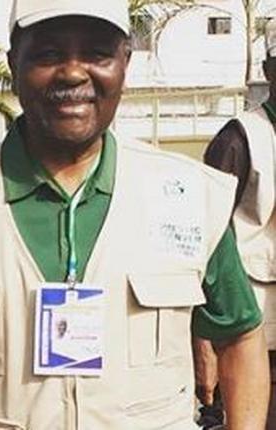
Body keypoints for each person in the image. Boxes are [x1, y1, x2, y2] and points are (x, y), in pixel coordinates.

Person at [0, 1, 270, 429]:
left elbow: (240, 337)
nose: (72, 73)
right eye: (48, 54)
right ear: (14, 63)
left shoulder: (191, 199)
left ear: (125, 62)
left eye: (97, 53)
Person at [195, 17, 276, 427]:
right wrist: (205, 335)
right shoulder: (241, 136)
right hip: (254, 320)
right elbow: (206, 234)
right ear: (269, 71)